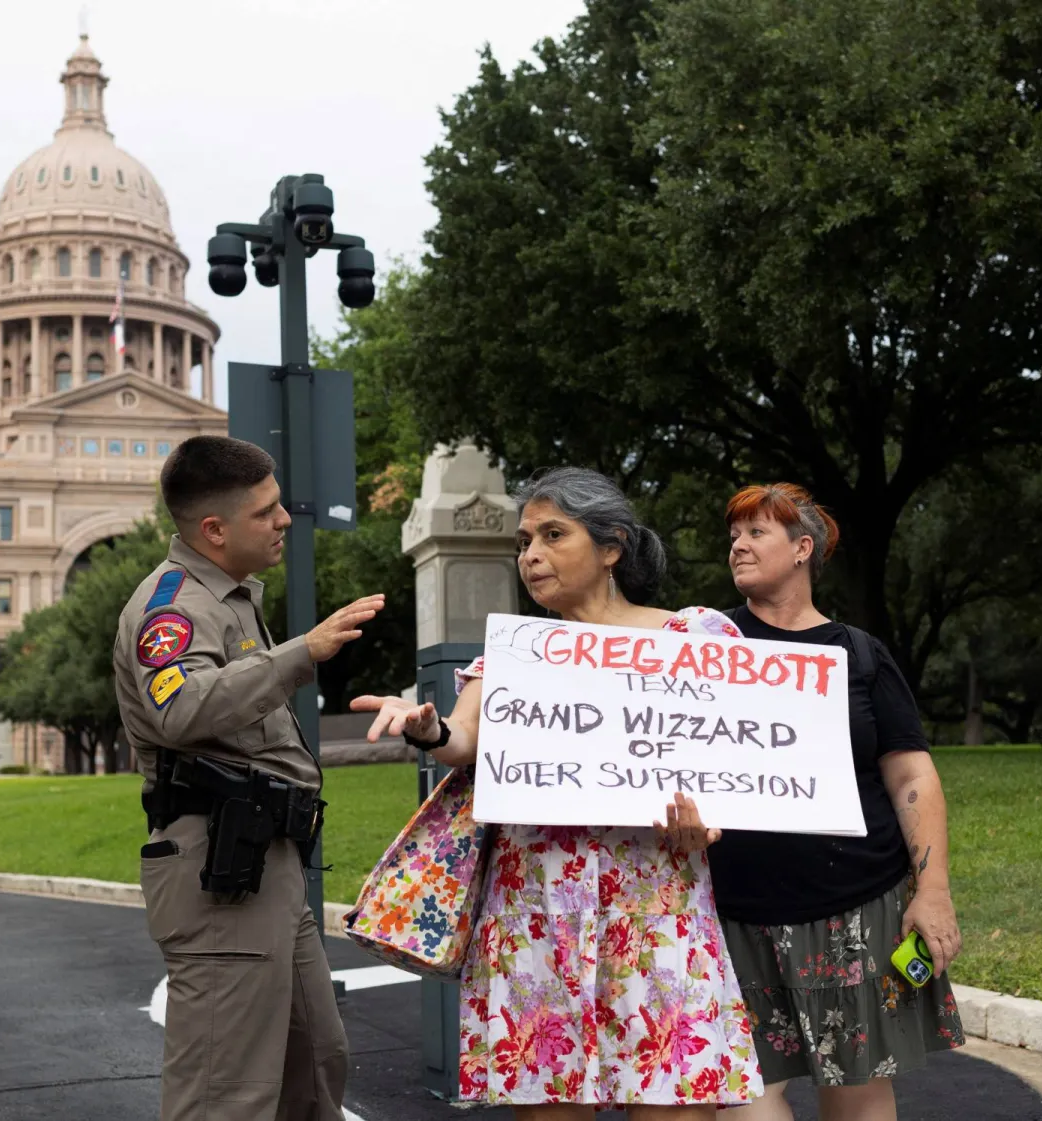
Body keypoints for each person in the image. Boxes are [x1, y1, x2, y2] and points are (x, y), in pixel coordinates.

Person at [352, 467, 762, 1120]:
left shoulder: (696, 640)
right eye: (524, 542)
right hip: (536, 914)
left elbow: (738, 763)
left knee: (676, 1099)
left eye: (552, 535)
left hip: (659, 906)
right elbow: (464, 736)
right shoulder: (514, 651)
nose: (531, 555)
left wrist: (709, 822)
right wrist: (429, 729)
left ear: (611, 546)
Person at [113, 435, 386, 1121]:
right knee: (225, 1095)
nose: (283, 520)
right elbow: (181, 708)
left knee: (314, 1068)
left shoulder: (229, 597)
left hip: (263, 865)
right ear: (214, 529)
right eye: (265, 511)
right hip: (221, 875)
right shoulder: (171, 607)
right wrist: (303, 651)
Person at [712, 483, 965, 1121]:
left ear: (803, 549)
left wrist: (933, 890)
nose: (738, 546)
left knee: (859, 1088)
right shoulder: (705, 645)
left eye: (756, 532)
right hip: (732, 912)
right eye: (734, 535)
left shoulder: (859, 653)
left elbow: (910, 775)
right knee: (738, 1097)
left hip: (855, 906)